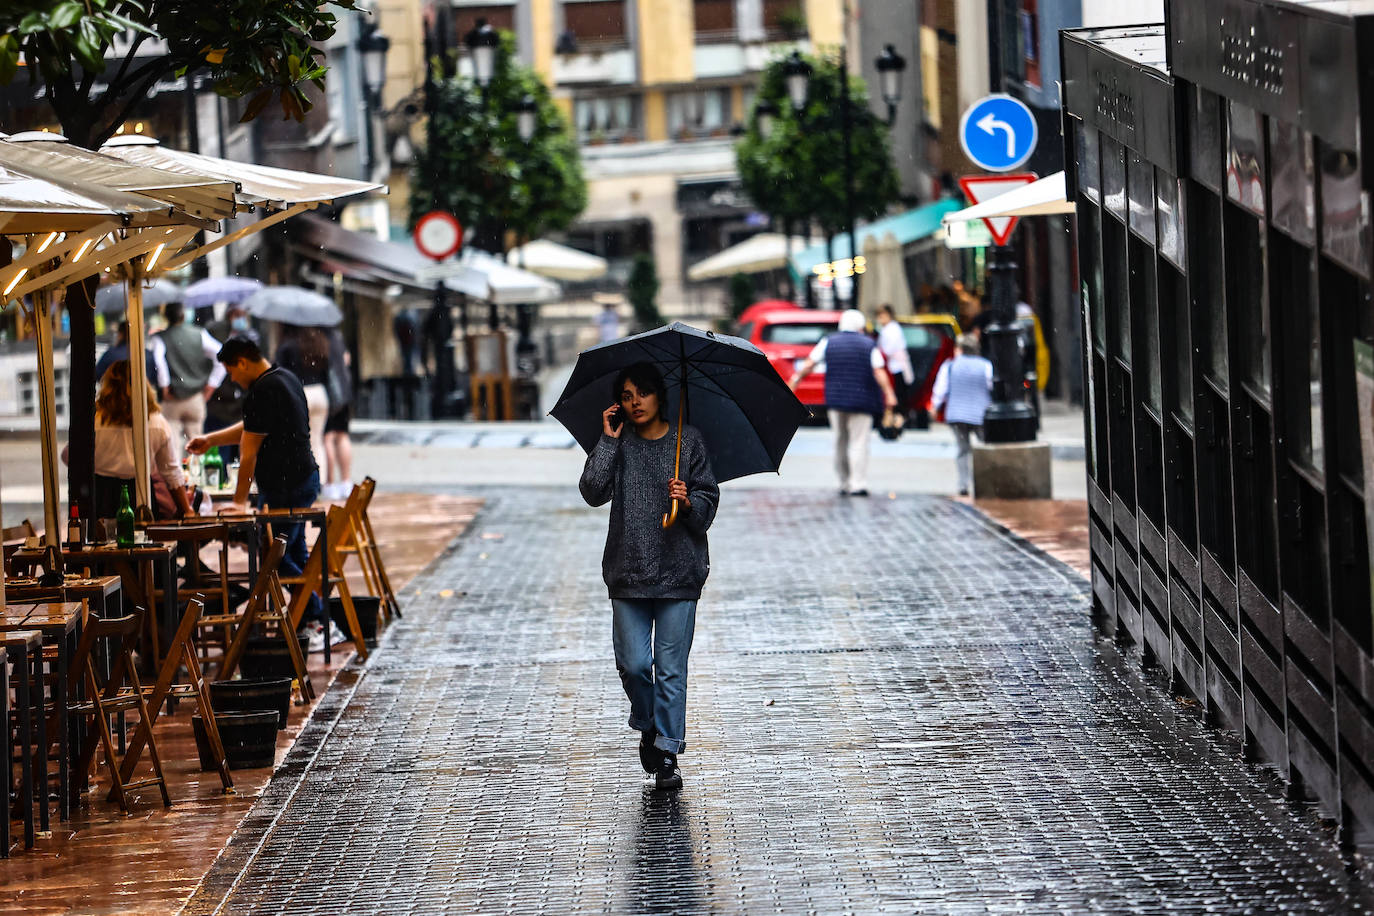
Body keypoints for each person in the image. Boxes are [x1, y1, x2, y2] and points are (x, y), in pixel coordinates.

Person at [579, 361, 720, 791]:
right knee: (636, 665)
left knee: (671, 669)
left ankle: (666, 754)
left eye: (642, 393)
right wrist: (606, 439)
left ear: (661, 396)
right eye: (625, 395)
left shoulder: (688, 441)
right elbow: (592, 491)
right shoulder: (619, 443)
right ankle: (647, 723)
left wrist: (689, 500)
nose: (634, 402)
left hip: (679, 573)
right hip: (628, 571)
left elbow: (708, 503)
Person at [187, 337, 342, 652]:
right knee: (293, 552)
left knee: (274, 556)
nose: (231, 378)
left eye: (231, 370)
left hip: (286, 484)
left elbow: (249, 453)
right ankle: (311, 622)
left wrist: (239, 503)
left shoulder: (261, 390)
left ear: (242, 362)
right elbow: (253, 427)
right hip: (304, 477)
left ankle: (318, 617)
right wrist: (212, 440)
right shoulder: (284, 377)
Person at [787, 309, 898, 497]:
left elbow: (809, 364)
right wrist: (889, 394)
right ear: (860, 326)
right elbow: (879, 371)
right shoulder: (869, 344)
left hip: (836, 400)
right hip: (862, 401)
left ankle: (844, 482)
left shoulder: (829, 341)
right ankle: (858, 484)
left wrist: (796, 380)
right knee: (859, 443)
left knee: (840, 441)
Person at [89, 360, 193, 520]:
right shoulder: (156, 422)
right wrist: (186, 509)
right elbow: (171, 471)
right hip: (141, 493)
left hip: (102, 495)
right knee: (143, 541)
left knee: (102, 541)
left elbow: (69, 457)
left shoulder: (94, 421)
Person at [151, 301, 226, 449]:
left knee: (172, 444)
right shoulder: (199, 334)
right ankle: (196, 471)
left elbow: (159, 363)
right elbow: (221, 356)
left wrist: (164, 387)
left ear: (166, 316)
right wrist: (212, 385)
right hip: (196, 397)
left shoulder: (160, 337)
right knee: (197, 441)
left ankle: (176, 471)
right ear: (184, 315)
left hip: (172, 398)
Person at [931, 333, 994, 497]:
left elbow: (941, 389)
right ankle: (985, 482)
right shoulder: (985, 365)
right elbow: (991, 386)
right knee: (983, 448)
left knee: (962, 449)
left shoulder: (950, 366)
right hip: (980, 414)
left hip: (957, 414)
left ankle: (963, 484)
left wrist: (934, 406)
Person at [275, 324, 330, 479]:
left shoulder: (287, 345)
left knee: (298, 442)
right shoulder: (319, 342)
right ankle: (320, 481)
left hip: (299, 392)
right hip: (320, 392)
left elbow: (280, 373)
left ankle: (304, 480)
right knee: (317, 441)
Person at [321, 327, 354, 501]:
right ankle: (346, 482)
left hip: (328, 392)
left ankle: (330, 483)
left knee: (327, 437)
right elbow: (346, 359)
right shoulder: (336, 335)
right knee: (342, 435)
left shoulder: (316, 338)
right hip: (343, 392)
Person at [875, 304, 915, 416]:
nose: (880, 319)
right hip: (892, 365)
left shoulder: (892, 329)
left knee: (898, 394)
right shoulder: (887, 329)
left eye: (882, 316)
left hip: (895, 366)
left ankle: (898, 418)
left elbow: (888, 349)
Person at [95, 320, 159, 386]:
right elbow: (154, 378)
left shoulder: (111, 354)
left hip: (117, 394)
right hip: (143, 394)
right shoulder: (147, 354)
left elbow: (98, 375)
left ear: (120, 334)